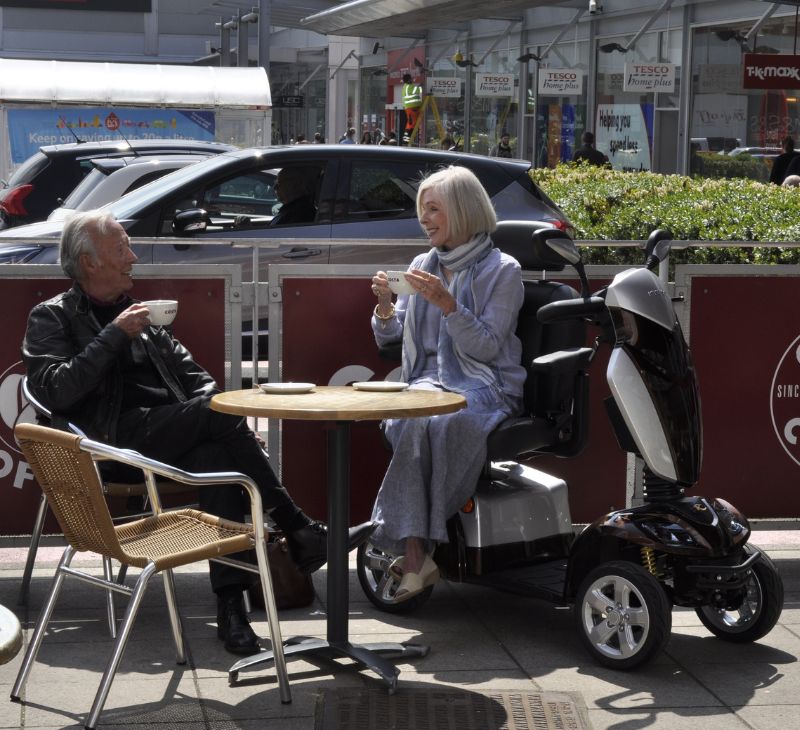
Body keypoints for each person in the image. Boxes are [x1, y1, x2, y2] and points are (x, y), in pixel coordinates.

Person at [22, 210, 370, 655]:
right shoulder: (52, 316)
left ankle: (232, 610)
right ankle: (299, 530)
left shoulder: (143, 318)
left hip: (163, 437)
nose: (132, 257)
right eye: (121, 248)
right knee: (217, 418)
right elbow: (58, 390)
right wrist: (113, 336)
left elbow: (196, 378)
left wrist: (230, 424)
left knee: (222, 459)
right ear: (89, 263)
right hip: (107, 444)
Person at [366, 166, 526, 600]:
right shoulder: (423, 264)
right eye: (422, 210)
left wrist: (448, 305)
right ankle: (420, 555)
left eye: (433, 209)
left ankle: (413, 551)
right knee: (415, 418)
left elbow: (489, 348)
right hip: (427, 382)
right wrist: (384, 306)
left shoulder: (503, 269)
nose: (425, 219)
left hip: (484, 384)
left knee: (437, 419)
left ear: (462, 210)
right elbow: (391, 336)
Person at [401, 73, 423, 138]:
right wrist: (421, 86)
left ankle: (407, 138)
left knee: (411, 124)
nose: (412, 80)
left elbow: (415, 90)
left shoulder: (407, 86)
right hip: (412, 108)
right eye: (411, 78)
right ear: (408, 80)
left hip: (411, 108)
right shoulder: (409, 86)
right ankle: (408, 138)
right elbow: (419, 90)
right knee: (412, 124)